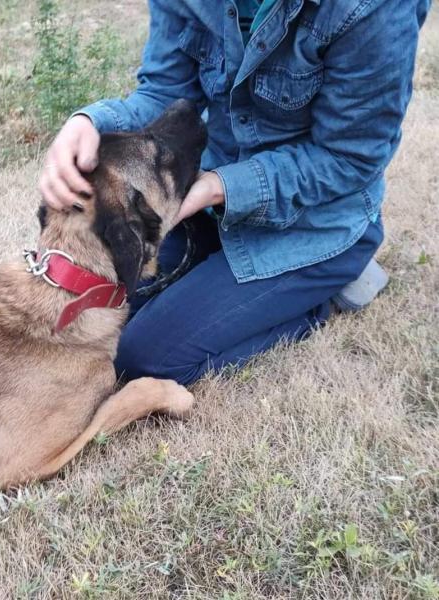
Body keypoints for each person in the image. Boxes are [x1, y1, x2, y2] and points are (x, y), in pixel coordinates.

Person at [39, 0, 431, 385]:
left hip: (312, 225)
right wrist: (90, 121)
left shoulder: (372, 8)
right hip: (209, 209)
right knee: (93, 315)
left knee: (143, 359)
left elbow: (349, 159)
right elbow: (165, 91)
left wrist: (220, 187)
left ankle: (320, 297)